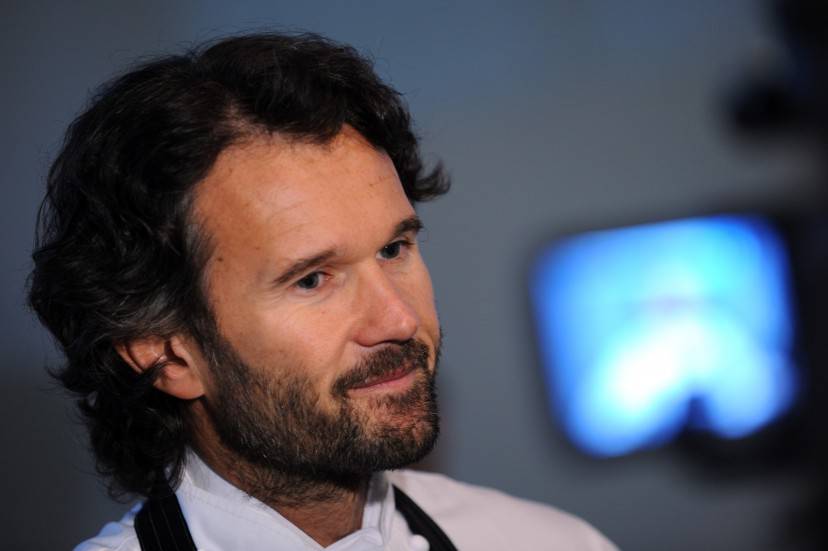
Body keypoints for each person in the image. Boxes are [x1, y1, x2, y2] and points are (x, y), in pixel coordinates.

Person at [29, 32, 618, 551]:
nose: (397, 318)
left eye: (394, 249)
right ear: (166, 353)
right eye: (312, 279)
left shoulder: (550, 541)